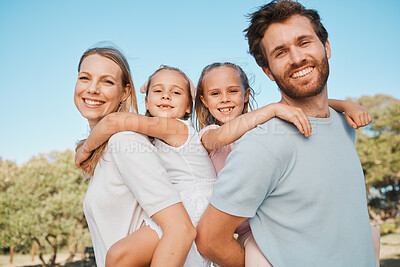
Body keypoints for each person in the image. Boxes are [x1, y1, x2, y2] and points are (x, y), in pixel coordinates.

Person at [196, 1, 377, 266]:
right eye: (280, 52)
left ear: (326, 47)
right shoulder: (262, 144)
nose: (296, 58)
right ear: (268, 71)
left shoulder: (344, 125)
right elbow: (210, 240)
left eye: (304, 42)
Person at [76, 65, 216, 266]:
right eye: (158, 91)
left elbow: (113, 121)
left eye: (176, 92)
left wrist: (84, 151)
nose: (166, 96)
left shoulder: (177, 128)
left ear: (188, 108)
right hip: (180, 205)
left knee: (119, 256)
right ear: (146, 103)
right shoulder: (155, 137)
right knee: (119, 256)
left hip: (193, 206)